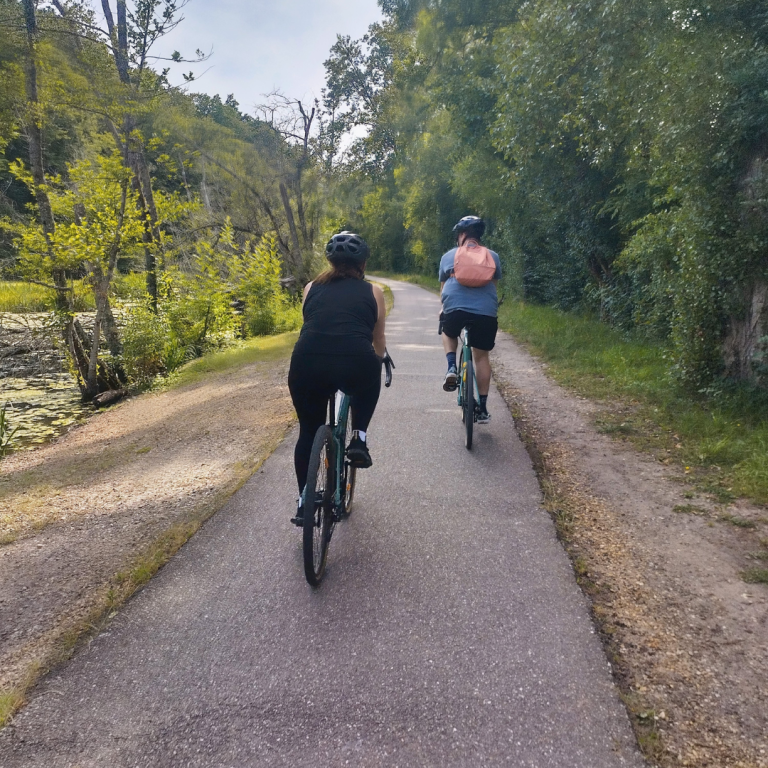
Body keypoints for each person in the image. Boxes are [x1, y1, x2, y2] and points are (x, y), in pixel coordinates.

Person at [288, 232, 387, 525]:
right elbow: (378, 342)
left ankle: (305, 500)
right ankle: (359, 437)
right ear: (364, 262)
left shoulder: (310, 288)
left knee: (308, 431)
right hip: (354, 363)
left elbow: (314, 326)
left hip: (307, 364)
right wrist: (377, 363)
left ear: (330, 261)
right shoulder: (374, 292)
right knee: (371, 369)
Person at [438, 215, 501, 424]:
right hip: (485, 312)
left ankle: (451, 368)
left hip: (455, 309)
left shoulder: (449, 256)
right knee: (481, 357)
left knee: (448, 332)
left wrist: (443, 310)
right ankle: (482, 409)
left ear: (461, 235)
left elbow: (443, 289)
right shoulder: (492, 256)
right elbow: (493, 284)